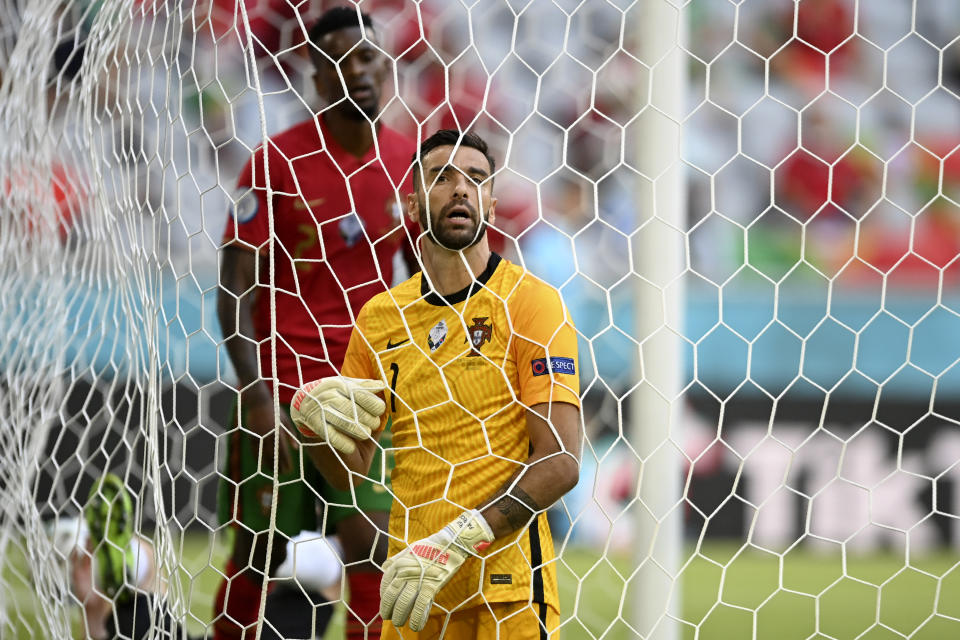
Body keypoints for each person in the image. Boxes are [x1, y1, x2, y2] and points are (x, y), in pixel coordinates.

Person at [291, 129, 582, 639]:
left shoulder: (532, 304)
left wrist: (461, 538)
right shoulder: (381, 318)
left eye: (475, 178)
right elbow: (348, 476)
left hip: (507, 592)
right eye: (440, 177)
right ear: (412, 204)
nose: (460, 188)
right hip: (414, 591)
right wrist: (316, 429)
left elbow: (560, 461)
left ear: (491, 204)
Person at [216, 7, 415, 640]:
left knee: (373, 549)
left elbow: (421, 276)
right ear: (316, 76)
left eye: (367, 57)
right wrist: (256, 396)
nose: (357, 70)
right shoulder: (277, 162)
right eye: (339, 59)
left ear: (385, 66)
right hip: (284, 391)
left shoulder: (406, 160)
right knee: (260, 553)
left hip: (364, 394)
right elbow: (233, 288)